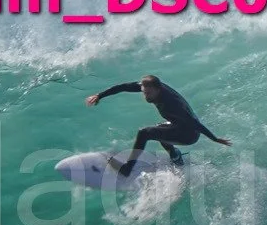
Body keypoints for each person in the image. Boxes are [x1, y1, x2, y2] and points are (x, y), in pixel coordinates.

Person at [85, 74, 230, 174]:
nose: (145, 96)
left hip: (189, 134)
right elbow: (123, 87)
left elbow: (194, 123)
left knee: (144, 133)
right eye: (144, 92)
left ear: (158, 89)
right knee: (159, 129)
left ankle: (127, 169)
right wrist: (99, 95)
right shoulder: (149, 87)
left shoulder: (172, 103)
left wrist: (214, 138)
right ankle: (175, 157)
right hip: (177, 126)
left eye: (148, 93)